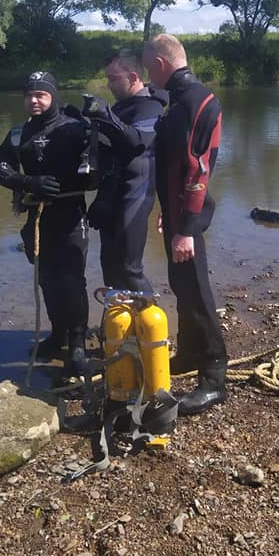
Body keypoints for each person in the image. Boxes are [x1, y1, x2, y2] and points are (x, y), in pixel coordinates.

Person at [142, 34, 228, 415]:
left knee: (197, 290)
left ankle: (214, 376)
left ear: (160, 64)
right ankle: (191, 352)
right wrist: (169, 211)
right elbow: (176, 166)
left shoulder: (195, 101)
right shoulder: (179, 99)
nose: (148, 75)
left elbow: (198, 170)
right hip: (178, 212)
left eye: (148, 69)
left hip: (188, 218)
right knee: (181, 285)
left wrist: (188, 227)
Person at [0, 70, 94, 375]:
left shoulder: (75, 129)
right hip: (37, 217)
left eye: (41, 94)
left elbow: (95, 171)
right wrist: (27, 181)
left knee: (72, 280)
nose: (34, 100)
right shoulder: (19, 133)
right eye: (29, 95)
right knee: (46, 278)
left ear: (53, 96)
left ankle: (77, 343)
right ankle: (58, 333)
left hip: (71, 215)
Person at [82, 50, 167, 293]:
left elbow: (136, 141)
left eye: (113, 78)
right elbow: (109, 150)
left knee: (130, 268)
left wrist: (105, 114)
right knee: (110, 266)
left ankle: (151, 328)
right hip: (111, 195)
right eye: (107, 78)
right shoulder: (122, 108)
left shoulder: (150, 107)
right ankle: (120, 327)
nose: (108, 85)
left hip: (135, 196)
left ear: (132, 76)